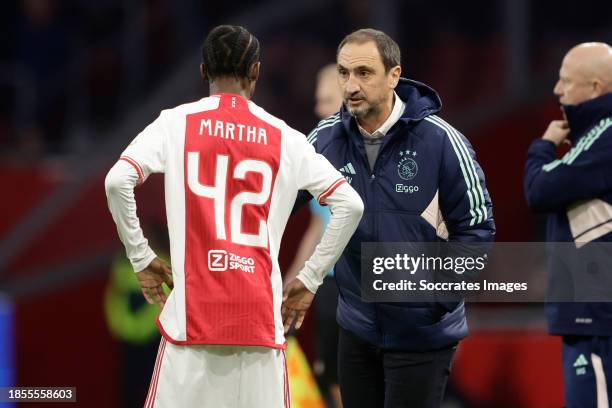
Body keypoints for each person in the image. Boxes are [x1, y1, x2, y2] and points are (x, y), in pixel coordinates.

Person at [104, 25, 364, 408]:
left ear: (203, 71)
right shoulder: (285, 136)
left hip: (190, 328)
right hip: (259, 328)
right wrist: (309, 280)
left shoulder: (176, 123)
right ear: (256, 72)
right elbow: (350, 205)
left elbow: (117, 181)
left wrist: (142, 257)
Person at [299, 28, 495, 408]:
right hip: (356, 330)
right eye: (343, 73)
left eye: (363, 73)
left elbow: (477, 231)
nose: (350, 85)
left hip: (421, 334)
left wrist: (434, 300)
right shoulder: (323, 139)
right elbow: (273, 201)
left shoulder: (442, 142)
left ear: (394, 75)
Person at [524, 42, 612, 408]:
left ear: (595, 88)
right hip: (589, 314)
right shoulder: (591, 137)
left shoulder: (606, 137)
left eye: (566, 82)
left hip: (598, 316)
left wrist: (543, 147)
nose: (557, 90)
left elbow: (539, 189)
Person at [286, 63, 344, 408]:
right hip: (329, 285)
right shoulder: (318, 156)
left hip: (366, 282)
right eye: (317, 101)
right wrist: (291, 277)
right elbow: (317, 226)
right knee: (332, 376)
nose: (318, 109)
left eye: (326, 100)